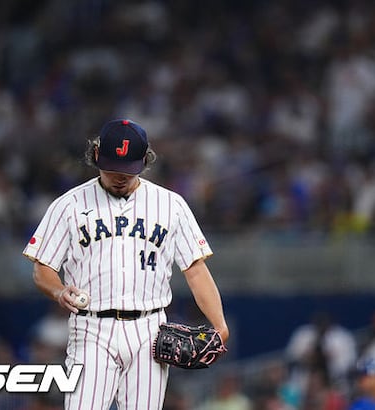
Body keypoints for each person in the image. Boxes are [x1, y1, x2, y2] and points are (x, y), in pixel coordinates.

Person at [23, 118, 229, 410]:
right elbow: (42, 267)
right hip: (91, 327)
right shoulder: (68, 205)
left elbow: (195, 271)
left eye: (128, 169)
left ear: (145, 160)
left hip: (150, 330)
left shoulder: (171, 205)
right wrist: (59, 291)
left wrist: (220, 325)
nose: (120, 176)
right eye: (112, 168)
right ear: (96, 155)